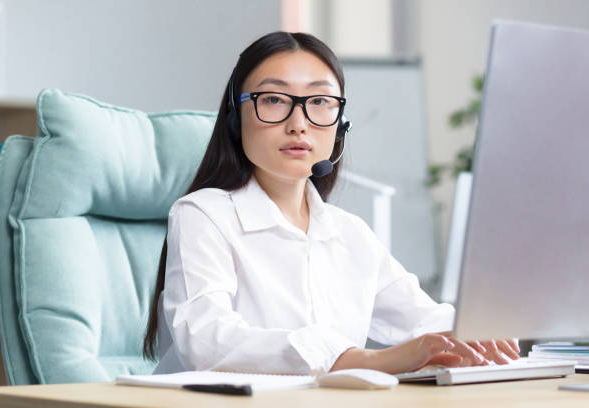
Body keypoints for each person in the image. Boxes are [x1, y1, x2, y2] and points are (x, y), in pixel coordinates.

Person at [143, 31, 520, 376]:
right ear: (235, 119)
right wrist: (357, 359)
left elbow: (423, 318)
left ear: (340, 124)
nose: (299, 123)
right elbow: (206, 340)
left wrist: (477, 334)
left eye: (320, 101)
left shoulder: (349, 233)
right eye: (273, 99)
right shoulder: (204, 214)